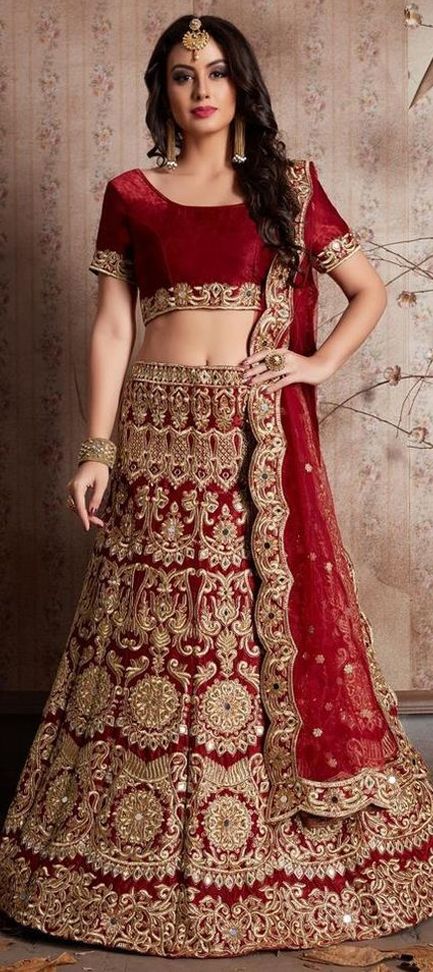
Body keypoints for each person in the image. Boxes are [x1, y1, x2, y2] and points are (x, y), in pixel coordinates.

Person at [0, 12, 432, 961]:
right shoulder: (130, 193)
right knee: (148, 634)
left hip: (248, 438)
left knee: (243, 628)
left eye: (217, 72)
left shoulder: (286, 186)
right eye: (181, 74)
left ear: (242, 86)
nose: (200, 89)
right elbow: (114, 325)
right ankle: (126, 855)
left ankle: (256, 853)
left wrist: (315, 366)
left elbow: (366, 290)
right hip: (155, 432)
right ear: (161, 89)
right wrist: (98, 446)